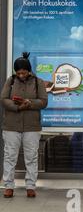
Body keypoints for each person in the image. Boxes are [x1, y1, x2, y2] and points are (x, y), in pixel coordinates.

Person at [0, 52, 48, 198]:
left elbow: (43, 101)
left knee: (31, 156)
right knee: (10, 156)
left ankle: (30, 186)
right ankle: (8, 186)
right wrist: (17, 107)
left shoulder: (38, 82)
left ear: (29, 70)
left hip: (31, 126)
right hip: (11, 126)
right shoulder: (11, 81)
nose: (21, 75)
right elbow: (3, 99)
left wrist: (29, 103)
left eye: (24, 72)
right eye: (18, 73)